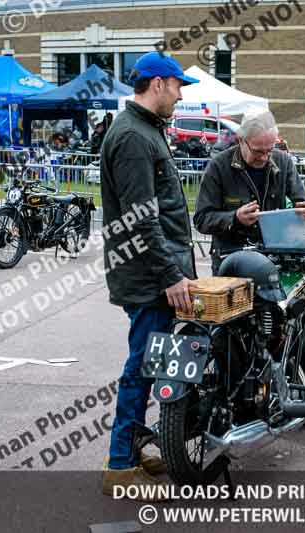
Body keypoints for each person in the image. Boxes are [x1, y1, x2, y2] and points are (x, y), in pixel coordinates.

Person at [99, 51, 200, 500]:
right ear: (158, 84)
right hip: (148, 277)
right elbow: (143, 218)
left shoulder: (144, 131)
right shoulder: (135, 138)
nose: (180, 96)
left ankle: (136, 447)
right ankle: (120, 464)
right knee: (143, 367)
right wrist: (171, 276)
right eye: (178, 87)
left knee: (152, 362)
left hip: (150, 273)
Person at [193, 111, 305, 272]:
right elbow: (201, 220)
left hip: (275, 260)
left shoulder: (284, 161)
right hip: (232, 261)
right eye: (258, 151)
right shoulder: (218, 167)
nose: (265, 157)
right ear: (240, 140)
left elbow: (303, 203)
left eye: (270, 150)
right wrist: (235, 218)